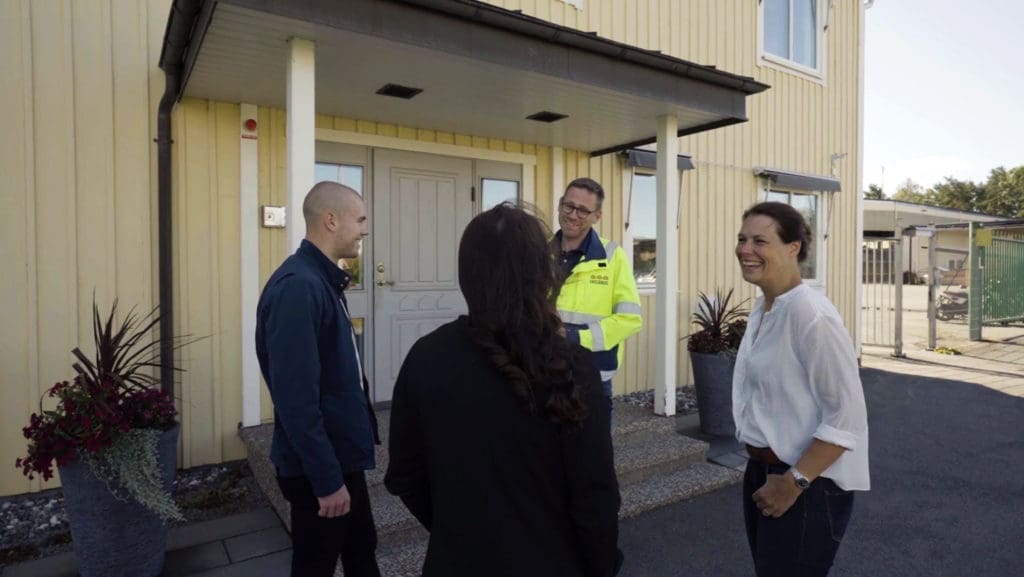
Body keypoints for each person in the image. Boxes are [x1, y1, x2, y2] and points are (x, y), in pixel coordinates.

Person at [384, 203, 623, 577]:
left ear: (467, 274)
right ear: (542, 274)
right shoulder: (573, 365)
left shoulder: (426, 358)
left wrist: (461, 530)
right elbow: (595, 498)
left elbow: (404, 475)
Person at [732, 201, 870, 577]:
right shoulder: (766, 308)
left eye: (760, 241)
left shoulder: (811, 314)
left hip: (806, 484)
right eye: (742, 239)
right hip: (764, 473)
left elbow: (848, 414)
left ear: (793, 248)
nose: (745, 249)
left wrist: (794, 482)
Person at [255, 181, 381, 577]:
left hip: (339, 456)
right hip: (320, 469)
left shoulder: (321, 280)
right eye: (359, 219)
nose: (364, 229)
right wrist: (326, 481)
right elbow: (296, 401)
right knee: (315, 564)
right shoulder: (299, 288)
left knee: (362, 551)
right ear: (331, 220)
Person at [553, 177, 643, 407]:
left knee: (592, 443)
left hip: (592, 375)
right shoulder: (537, 252)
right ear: (560, 204)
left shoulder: (613, 256)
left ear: (597, 216)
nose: (573, 215)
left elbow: (630, 319)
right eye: (569, 206)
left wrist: (574, 337)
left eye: (583, 211)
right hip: (545, 370)